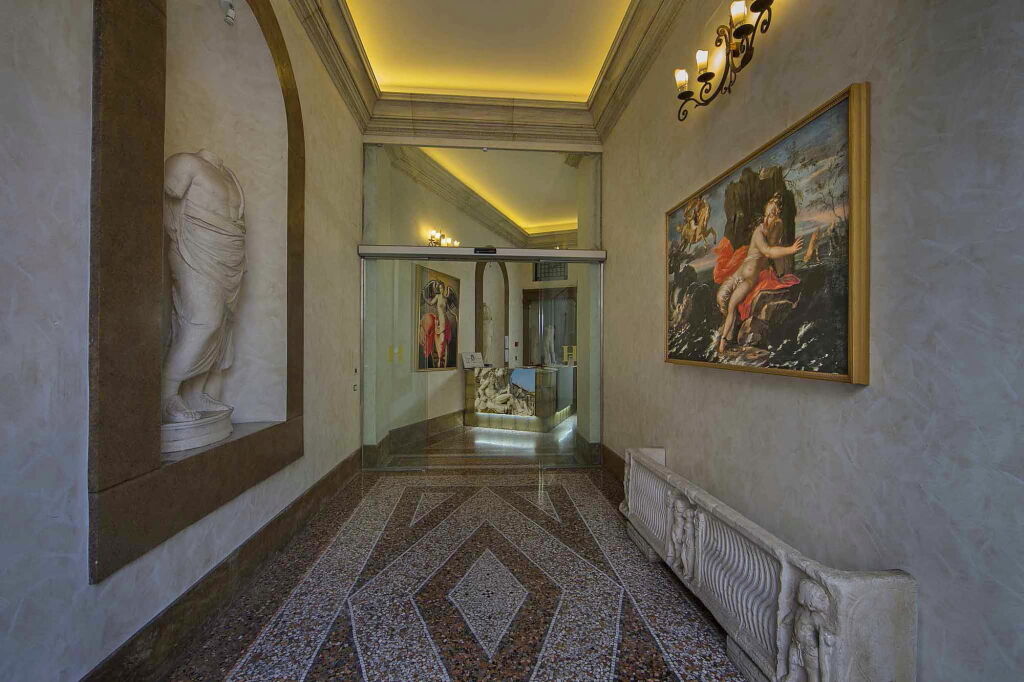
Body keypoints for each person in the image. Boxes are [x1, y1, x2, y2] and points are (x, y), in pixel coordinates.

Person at [161, 150, 246, 423]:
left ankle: (195, 393)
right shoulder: (186, 162)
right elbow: (168, 195)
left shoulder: (230, 176)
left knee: (220, 327)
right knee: (204, 321)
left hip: (228, 256)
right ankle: (166, 394)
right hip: (196, 251)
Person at [713, 193, 803, 354]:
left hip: (748, 279)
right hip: (737, 275)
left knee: (732, 304)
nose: (767, 219)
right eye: (766, 215)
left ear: (777, 216)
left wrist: (780, 272)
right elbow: (768, 251)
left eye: (772, 215)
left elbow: (773, 252)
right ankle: (732, 324)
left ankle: (723, 342)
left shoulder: (777, 227)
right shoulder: (759, 231)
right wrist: (790, 249)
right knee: (721, 298)